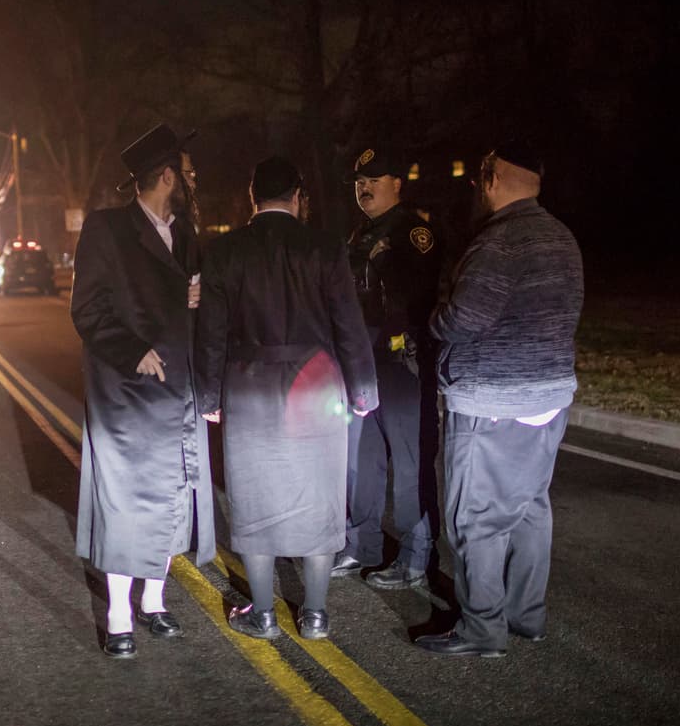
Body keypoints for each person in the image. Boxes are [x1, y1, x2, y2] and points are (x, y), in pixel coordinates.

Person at [196, 156, 378, 640]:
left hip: (249, 385)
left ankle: (264, 615)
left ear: (252, 198)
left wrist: (208, 395)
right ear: (298, 197)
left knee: (253, 500)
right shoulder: (324, 247)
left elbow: (210, 333)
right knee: (321, 499)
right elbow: (348, 323)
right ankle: (315, 616)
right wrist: (363, 389)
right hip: (316, 383)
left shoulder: (224, 251)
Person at [415, 140, 583, 658]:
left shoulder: (498, 242)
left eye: (478, 179)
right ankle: (525, 616)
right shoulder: (562, 237)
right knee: (531, 507)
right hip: (549, 396)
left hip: (492, 398)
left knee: (476, 518)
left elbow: (464, 319)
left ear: (489, 177)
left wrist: (434, 319)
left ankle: (482, 628)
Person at [71, 123, 212, 659]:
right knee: (127, 505)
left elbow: (188, 304)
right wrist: (133, 350)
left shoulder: (190, 234)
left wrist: (194, 300)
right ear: (168, 176)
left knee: (175, 495)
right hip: (127, 392)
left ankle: (154, 601)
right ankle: (118, 615)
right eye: (189, 172)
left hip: (178, 390)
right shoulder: (107, 229)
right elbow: (87, 309)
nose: (194, 181)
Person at [334, 148, 442, 589]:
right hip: (365, 356)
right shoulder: (362, 231)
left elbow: (417, 293)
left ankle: (416, 558)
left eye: (374, 179)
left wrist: (383, 260)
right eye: (359, 181)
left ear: (397, 182)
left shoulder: (413, 231)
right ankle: (362, 544)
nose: (364, 187)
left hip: (402, 359)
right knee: (363, 458)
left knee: (410, 460)